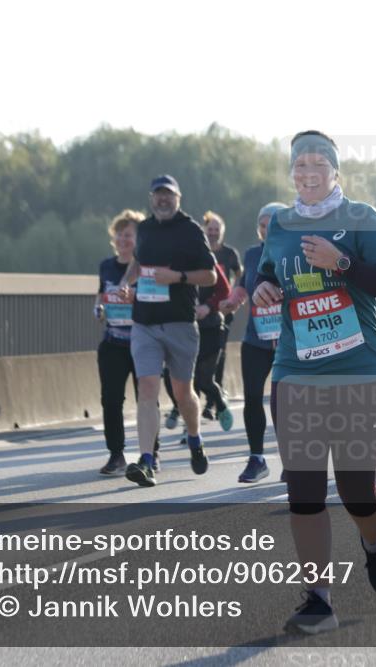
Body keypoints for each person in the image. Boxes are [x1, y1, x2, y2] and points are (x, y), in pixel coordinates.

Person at [252, 131, 376, 634]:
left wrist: (341, 263)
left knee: (356, 489)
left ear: (335, 172)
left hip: (361, 369)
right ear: (292, 172)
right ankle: (318, 600)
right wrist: (263, 288)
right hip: (297, 370)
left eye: (319, 163)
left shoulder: (362, 218)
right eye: (300, 164)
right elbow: (267, 273)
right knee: (304, 489)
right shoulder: (280, 223)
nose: (308, 172)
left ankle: (373, 541)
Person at [119, 175, 217, 487]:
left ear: (178, 198)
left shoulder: (191, 230)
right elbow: (137, 264)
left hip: (180, 323)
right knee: (147, 388)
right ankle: (147, 461)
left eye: (168, 195)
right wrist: (126, 284)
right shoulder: (145, 229)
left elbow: (211, 276)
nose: (163, 200)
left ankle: (195, 438)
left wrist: (178, 277)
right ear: (151, 199)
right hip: (144, 323)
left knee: (182, 392)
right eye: (157, 195)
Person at [218, 202, 287, 483]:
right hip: (256, 339)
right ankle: (257, 459)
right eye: (262, 225)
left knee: (286, 403)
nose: (266, 230)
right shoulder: (252, 254)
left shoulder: (294, 251)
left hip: (289, 341)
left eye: (272, 224)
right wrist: (232, 301)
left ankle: (293, 460)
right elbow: (244, 285)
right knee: (253, 398)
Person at [94, 210, 161, 475]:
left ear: (139, 239)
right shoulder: (106, 266)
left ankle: (151, 454)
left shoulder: (147, 267)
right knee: (111, 400)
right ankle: (116, 454)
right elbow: (101, 294)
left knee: (147, 398)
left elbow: (157, 297)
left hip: (143, 340)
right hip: (113, 341)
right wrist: (99, 309)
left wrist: (136, 298)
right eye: (119, 235)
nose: (123, 240)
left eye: (129, 235)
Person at [203, 211, 242, 418]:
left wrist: (233, 298)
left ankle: (212, 400)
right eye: (210, 229)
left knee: (218, 354)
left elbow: (240, 276)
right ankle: (210, 396)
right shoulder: (199, 251)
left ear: (222, 232)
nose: (213, 233)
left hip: (222, 310)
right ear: (204, 230)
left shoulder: (229, 254)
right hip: (201, 311)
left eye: (216, 230)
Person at [191, 257, 233, 429]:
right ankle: (191, 428)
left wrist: (208, 306)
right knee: (190, 381)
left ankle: (220, 405)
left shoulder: (207, 261)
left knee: (205, 380)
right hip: (185, 329)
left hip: (211, 328)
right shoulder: (172, 263)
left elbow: (225, 290)